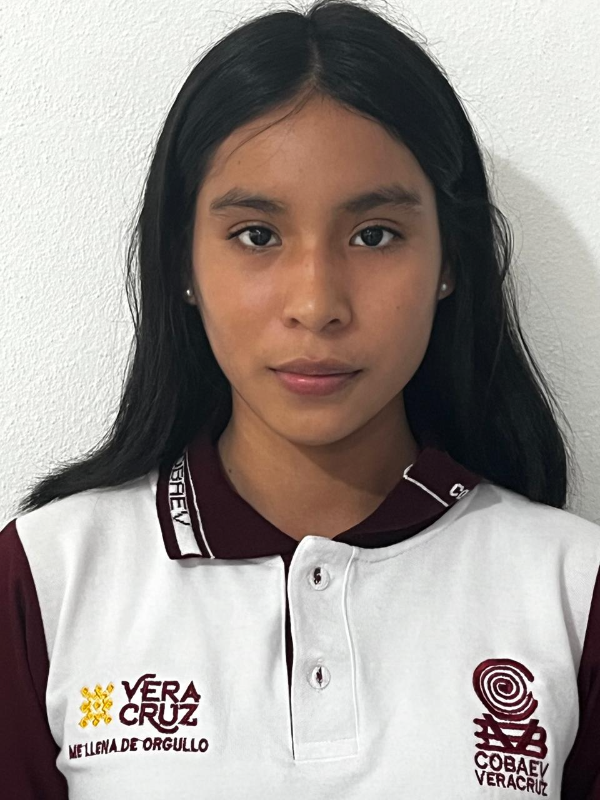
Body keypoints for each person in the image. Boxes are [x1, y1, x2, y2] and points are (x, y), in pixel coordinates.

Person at [1, 0, 598, 797]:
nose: (316, 304)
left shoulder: (573, 590)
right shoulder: (47, 580)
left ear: (451, 261)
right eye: (257, 235)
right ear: (182, 262)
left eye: (374, 234)